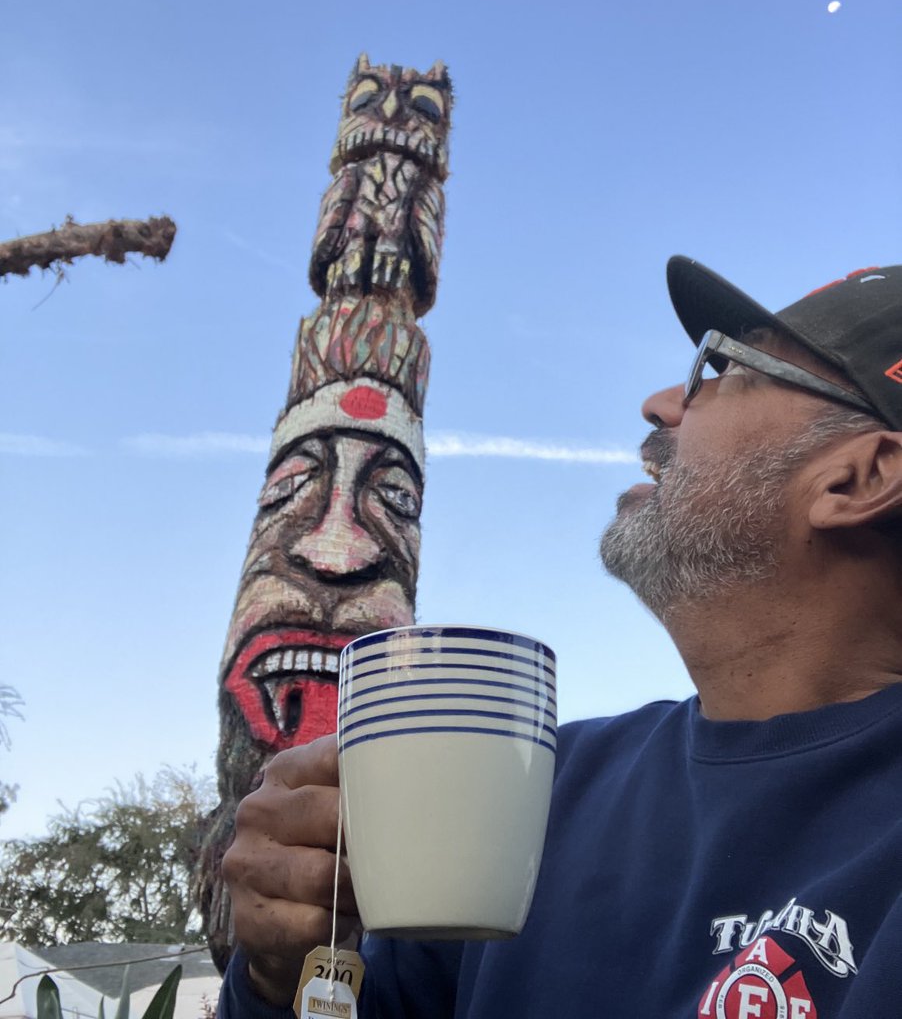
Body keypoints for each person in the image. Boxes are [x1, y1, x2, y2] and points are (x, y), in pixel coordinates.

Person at [217, 255, 902, 1017]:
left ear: (858, 478)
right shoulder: (534, 790)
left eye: (722, 370)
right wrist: (281, 974)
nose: (661, 403)